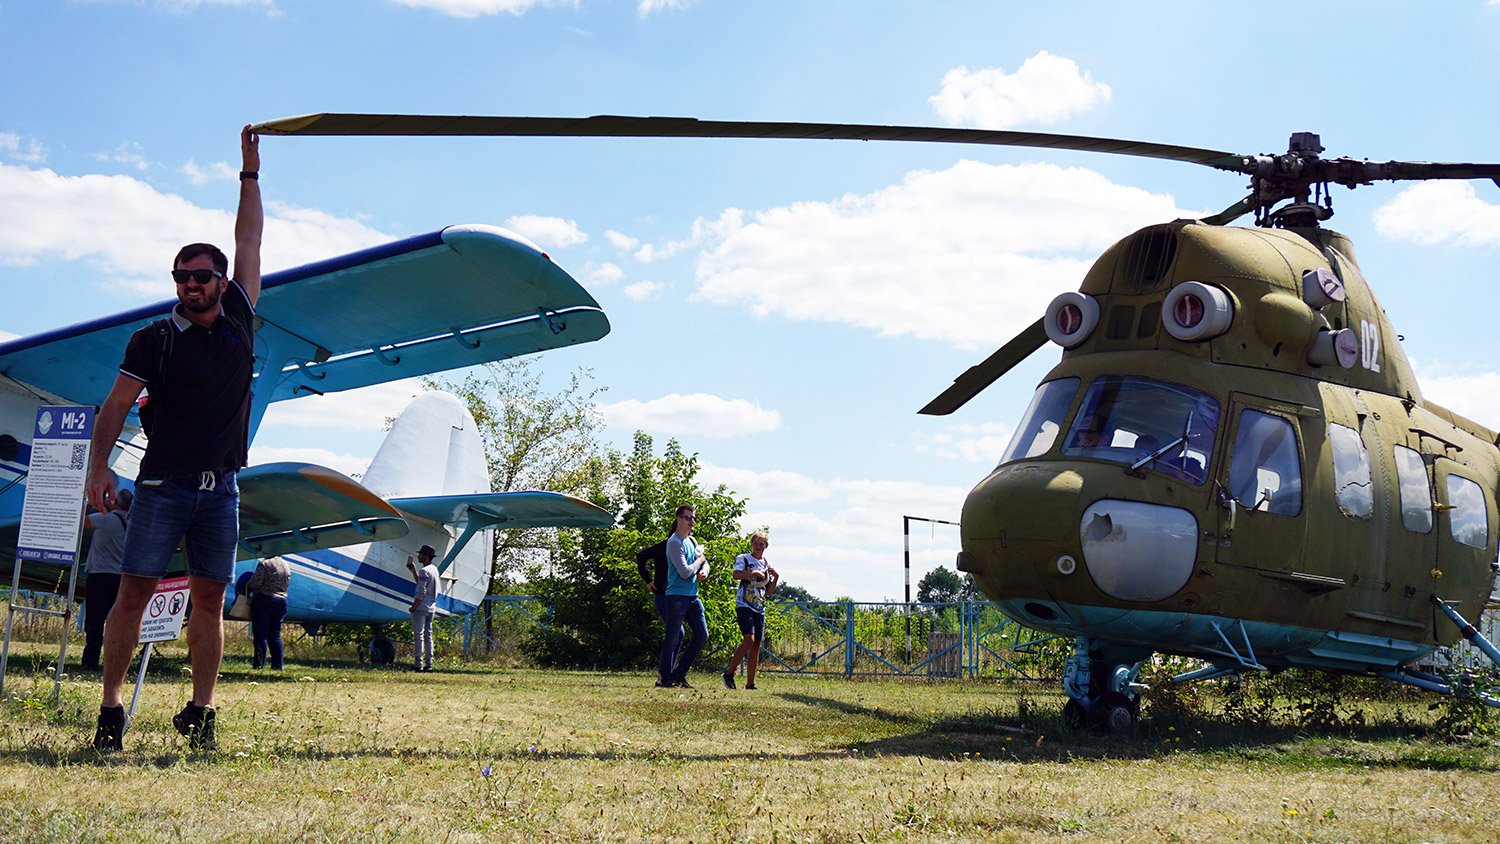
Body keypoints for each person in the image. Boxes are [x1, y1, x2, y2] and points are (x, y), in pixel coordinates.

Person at [85, 126, 262, 753]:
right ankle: (111, 711)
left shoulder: (240, 318)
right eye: (181, 276)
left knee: (210, 600)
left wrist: (249, 173)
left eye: (201, 275)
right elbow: (116, 404)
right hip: (161, 487)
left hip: (222, 490)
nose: (190, 284)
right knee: (132, 593)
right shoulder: (152, 340)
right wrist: (98, 469)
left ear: (221, 282)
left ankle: (201, 712)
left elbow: (248, 240)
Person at [79, 488, 133, 671]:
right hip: (121, 578)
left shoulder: (103, 519)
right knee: (116, 622)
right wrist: (108, 505)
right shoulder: (133, 522)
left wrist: (90, 504)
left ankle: (90, 660)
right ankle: (116, 661)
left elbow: (79, 521)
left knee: (95, 621)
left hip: (99, 576)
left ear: (115, 502)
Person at [659, 504, 709, 688]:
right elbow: (684, 572)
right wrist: (699, 562)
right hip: (676, 597)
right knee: (672, 638)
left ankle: (679, 673)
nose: (692, 521)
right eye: (688, 517)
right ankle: (665, 678)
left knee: (702, 636)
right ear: (678, 519)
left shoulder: (692, 541)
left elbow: (704, 563)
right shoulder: (674, 542)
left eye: (693, 518)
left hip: (693, 596)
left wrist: (704, 571)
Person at [722, 531, 778, 690]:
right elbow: (735, 575)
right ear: (751, 544)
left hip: (759, 606)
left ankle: (750, 683)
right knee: (749, 640)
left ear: (766, 546)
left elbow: (768, 591)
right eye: (756, 543)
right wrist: (751, 573)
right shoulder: (744, 558)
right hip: (744, 603)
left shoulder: (766, 564)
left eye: (761, 544)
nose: (758, 547)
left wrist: (776, 577)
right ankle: (729, 673)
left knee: (756, 644)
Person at [635, 534, 671, 686]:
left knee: (679, 633)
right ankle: (663, 676)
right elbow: (641, 555)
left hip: (679, 595)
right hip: (662, 594)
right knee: (676, 633)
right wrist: (648, 580)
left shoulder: (688, 546)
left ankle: (667, 675)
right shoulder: (666, 545)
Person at [245, 556, 290, 670]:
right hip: (281, 600)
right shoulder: (285, 564)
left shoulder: (265, 564)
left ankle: (259, 664)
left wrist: (247, 584)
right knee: (275, 635)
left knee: (261, 635)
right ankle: (278, 665)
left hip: (264, 599)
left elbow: (255, 583)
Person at [407, 545, 439, 672]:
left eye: (421, 554)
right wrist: (414, 572)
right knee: (428, 636)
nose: (419, 556)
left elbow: (421, 591)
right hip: (431, 607)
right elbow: (423, 585)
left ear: (426, 556)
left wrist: (413, 607)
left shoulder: (424, 571)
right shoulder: (434, 569)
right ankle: (428, 664)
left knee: (418, 636)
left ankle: (418, 664)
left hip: (421, 607)